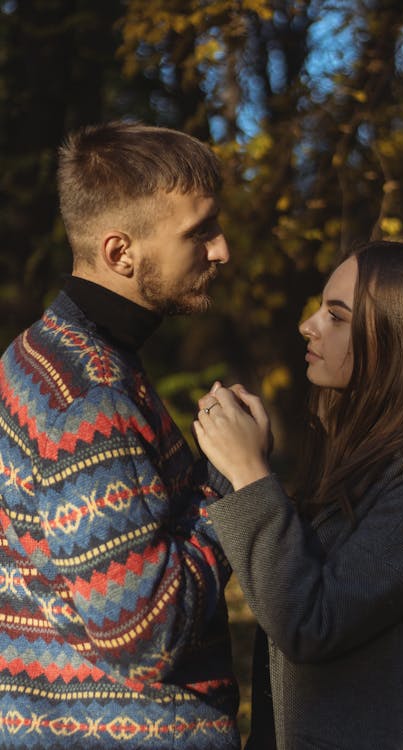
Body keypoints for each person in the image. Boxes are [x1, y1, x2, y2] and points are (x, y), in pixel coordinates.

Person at [194, 239, 403, 750]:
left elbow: (313, 622)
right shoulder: (362, 464)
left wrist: (249, 474)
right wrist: (252, 469)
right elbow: (303, 582)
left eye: (336, 316)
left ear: (397, 341)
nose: (307, 325)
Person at [0, 121, 240, 748]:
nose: (221, 251)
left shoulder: (32, 356)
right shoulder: (91, 397)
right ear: (119, 253)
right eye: (199, 232)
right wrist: (230, 481)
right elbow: (144, 637)